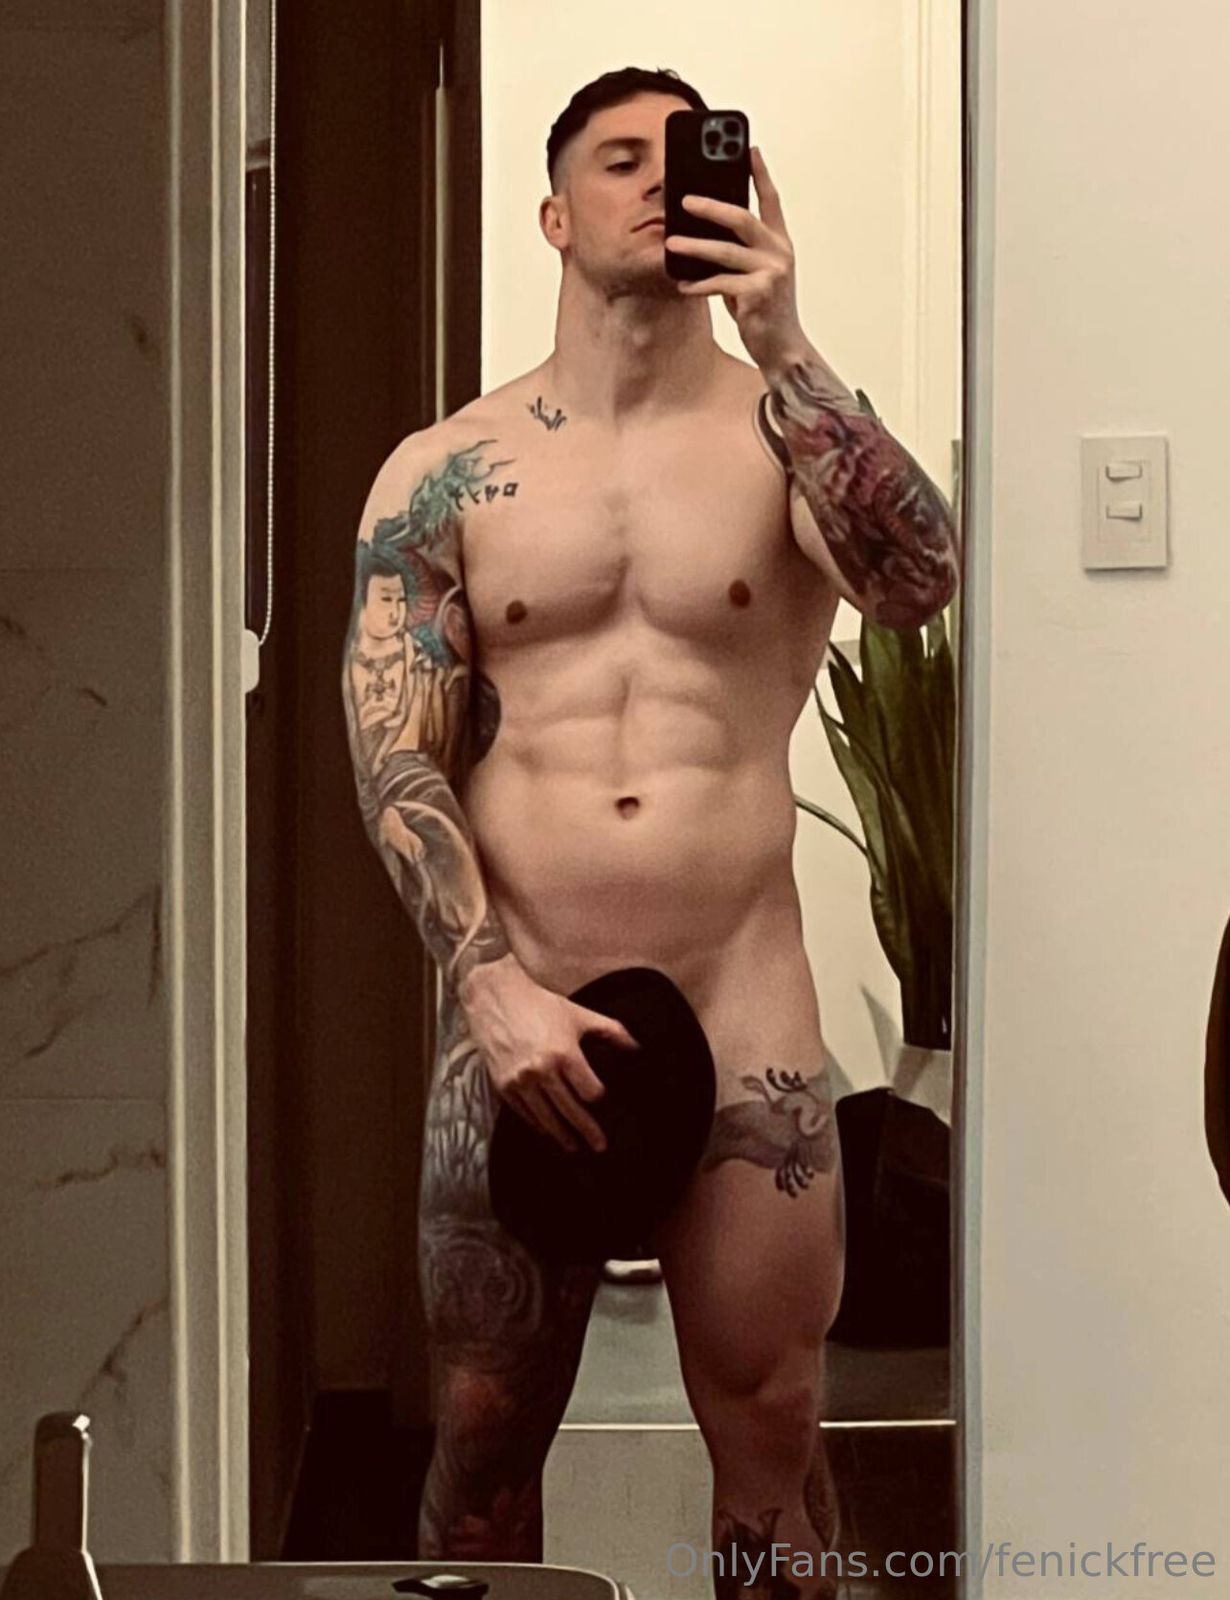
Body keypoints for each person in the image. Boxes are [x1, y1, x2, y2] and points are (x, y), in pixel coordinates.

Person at [340, 65, 959, 1599]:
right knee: (482, 1458)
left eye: (684, 155)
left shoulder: (777, 437)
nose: (654, 178)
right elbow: (396, 756)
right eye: (618, 158)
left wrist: (785, 336)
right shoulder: (445, 470)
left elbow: (915, 583)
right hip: (523, 1001)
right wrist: (486, 985)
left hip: (742, 1007)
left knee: (772, 1442)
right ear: (553, 215)